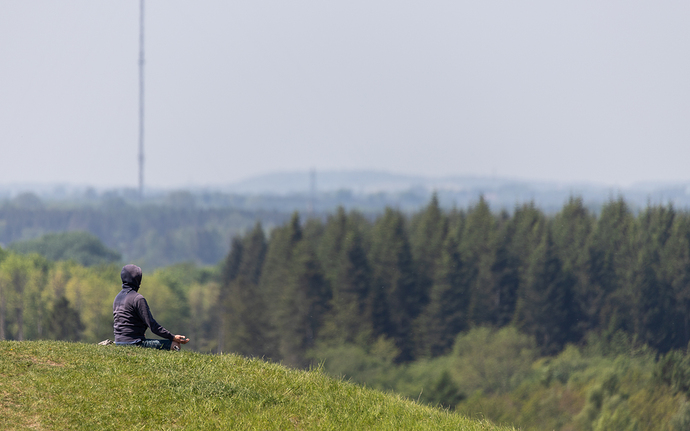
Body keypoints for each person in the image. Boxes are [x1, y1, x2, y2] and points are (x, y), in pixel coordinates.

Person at [113, 264, 190, 351]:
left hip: (119, 342)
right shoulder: (138, 299)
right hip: (134, 343)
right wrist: (172, 337)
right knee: (175, 345)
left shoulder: (117, 298)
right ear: (137, 281)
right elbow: (153, 327)